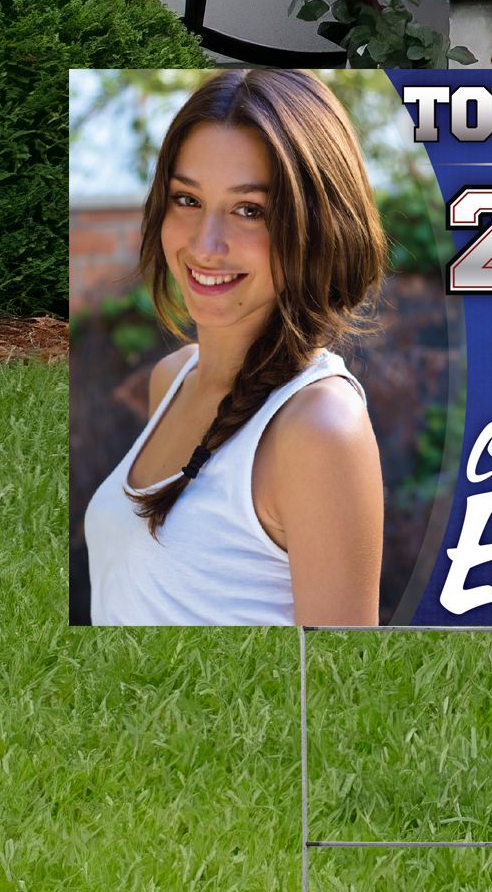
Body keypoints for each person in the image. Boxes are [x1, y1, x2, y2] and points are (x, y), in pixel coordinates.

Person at [84, 69, 387, 625]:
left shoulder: (320, 427)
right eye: (187, 199)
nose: (206, 245)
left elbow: (337, 690)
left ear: (317, 224)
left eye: (250, 209)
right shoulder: (172, 378)